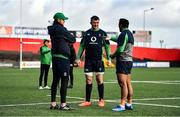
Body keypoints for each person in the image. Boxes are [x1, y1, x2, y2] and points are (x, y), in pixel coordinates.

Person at [76, 15, 111, 107]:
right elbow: (82, 47)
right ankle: (87, 101)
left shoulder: (103, 33)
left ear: (99, 23)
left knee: (99, 80)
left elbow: (107, 47)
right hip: (88, 61)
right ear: (90, 22)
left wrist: (109, 59)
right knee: (88, 80)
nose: (96, 24)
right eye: (94, 22)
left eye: (97, 22)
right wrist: (78, 58)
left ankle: (101, 100)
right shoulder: (86, 33)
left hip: (99, 60)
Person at [47, 12, 76, 110]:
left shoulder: (53, 29)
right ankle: (63, 105)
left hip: (55, 58)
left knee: (55, 80)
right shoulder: (61, 29)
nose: (64, 21)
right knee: (64, 80)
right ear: (59, 20)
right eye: (63, 20)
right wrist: (69, 36)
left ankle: (53, 104)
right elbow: (73, 39)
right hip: (63, 58)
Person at [110, 18, 134, 112]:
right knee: (128, 83)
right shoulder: (129, 34)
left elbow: (120, 49)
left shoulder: (123, 34)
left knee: (122, 84)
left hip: (123, 61)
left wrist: (112, 55)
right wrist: (110, 38)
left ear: (120, 25)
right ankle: (129, 103)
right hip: (129, 61)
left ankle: (122, 105)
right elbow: (120, 40)